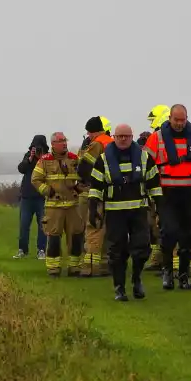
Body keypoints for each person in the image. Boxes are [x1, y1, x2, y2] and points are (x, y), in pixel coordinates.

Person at [143, 104, 191, 291]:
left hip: (189, 192)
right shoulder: (157, 138)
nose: (179, 124)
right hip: (166, 193)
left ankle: (183, 278)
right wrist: (146, 189)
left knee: (187, 236)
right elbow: (145, 164)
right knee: (169, 232)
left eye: (183, 120)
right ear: (170, 118)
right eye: (176, 120)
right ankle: (167, 273)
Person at [88, 123, 161, 301]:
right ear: (114, 137)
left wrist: (160, 208)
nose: (123, 139)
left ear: (131, 137)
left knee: (142, 249)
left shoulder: (144, 158)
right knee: (117, 252)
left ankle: (136, 280)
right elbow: (96, 186)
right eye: (119, 136)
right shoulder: (104, 160)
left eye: (126, 136)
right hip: (115, 213)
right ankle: (119, 287)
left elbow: (154, 184)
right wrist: (92, 207)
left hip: (138, 211)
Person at [31, 131, 85, 277]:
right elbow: (35, 179)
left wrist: (78, 189)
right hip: (54, 207)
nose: (64, 143)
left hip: (73, 206)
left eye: (65, 140)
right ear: (53, 144)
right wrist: (48, 191)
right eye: (61, 141)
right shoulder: (44, 160)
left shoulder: (74, 159)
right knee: (54, 237)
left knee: (76, 236)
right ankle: (53, 268)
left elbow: (84, 177)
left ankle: (75, 267)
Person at [75, 116, 114, 277]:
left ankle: (89, 268)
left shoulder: (97, 143)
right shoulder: (111, 142)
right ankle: (104, 266)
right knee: (106, 229)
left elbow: (84, 167)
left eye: (89, 132)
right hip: (111, 192)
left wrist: (83, 181)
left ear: (94, 131)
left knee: (92, 227)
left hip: (95, 191)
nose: (88, 136)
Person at [15, 135, 49, 259]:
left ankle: (41, 250)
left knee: (43, 226)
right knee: (24, 225)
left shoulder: (48, 158)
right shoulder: (28, 155)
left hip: (41, 197)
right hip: (27, 197)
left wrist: (41, 158)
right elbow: (21, 169)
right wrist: (30, 159)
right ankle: (22, 250)